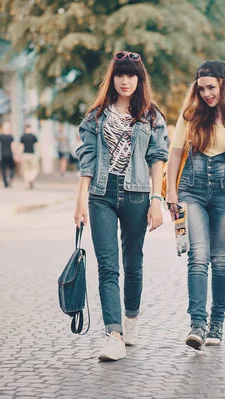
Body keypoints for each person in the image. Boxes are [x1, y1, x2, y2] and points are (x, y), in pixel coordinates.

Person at [74, 51, 168, 361]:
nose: (125, 80)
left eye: (132, 75)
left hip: (138, 194)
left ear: (140, 80)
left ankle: (131, 321)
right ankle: (113, 334)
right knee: (108, 266)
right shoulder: (96, 117)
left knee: (133, 263)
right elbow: (87, 158)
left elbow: (157, 158)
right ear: (112, 78)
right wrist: (80, 200)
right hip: (101, 193)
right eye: (120, 74)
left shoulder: (151, 116)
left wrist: (157, 200)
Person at [165, 60, 225, 350]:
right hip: (191, 189)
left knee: (221, 260)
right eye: (201, 88)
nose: (205, 93)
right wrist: (172, 195)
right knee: (198, 256)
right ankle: (197, 325)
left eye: (211, 87)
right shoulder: (190, 115)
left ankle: (217, 322)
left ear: (224, 86)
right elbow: (176, 153)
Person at [20, 124, 40, 189]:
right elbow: (37, 145)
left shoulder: (22, 136)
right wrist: (40, 153)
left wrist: (19, 155)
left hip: (24, 155)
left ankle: (27, 184)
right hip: (32, 155)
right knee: (35, 169)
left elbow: (21, 146)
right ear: (30, 128)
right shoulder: (33, 136)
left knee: (26, 170)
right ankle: (31, 178)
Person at [0, 121, 15, 188]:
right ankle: (10, 178)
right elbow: (12, 146)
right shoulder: (11, 137)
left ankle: (5, 182)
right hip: (9, 154)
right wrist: (15, 154)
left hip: (2, 154)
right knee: (12, 168)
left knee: (3, 169)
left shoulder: (0, 136)